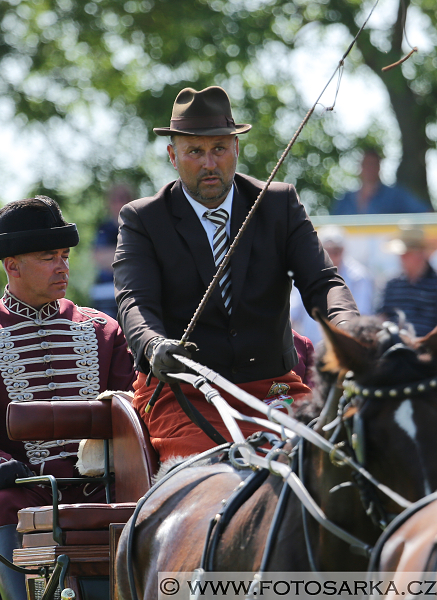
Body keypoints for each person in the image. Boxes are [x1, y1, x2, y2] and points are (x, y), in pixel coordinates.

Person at [114, 86, 358, 462]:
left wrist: (351, 332)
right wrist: (153, 345)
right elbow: (135, 302)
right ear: (172, 155)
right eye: (195, 151)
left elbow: (323, 283)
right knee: (207, 472)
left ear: (236, 150)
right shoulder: (142, 219)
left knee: (327, 459)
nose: (209, 164)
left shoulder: (280, 203)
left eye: (219, 149)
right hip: (182, 391)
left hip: (272, 387)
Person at [0, 197, 136, 600]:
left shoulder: (105, 330)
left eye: (65, 255)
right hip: (26, 485)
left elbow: (132, 408)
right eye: (49, 257)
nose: (64, 266)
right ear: (12, 265)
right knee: (1, 503)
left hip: (106, 486)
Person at [290, 224, 374, 348]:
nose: (330, 256)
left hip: (344, 350)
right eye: (326, 251)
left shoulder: (359, 277)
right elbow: (292, 313)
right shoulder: (306, 274)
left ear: (343, 251)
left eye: (335, 251)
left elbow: (361, 317)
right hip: (310, 351)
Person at [377, 226, 437, 337]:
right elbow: (381, 316)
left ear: (421, 253)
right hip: (394, 348)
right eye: (401, 254)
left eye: (407, 253)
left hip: (428, 348)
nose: (402, 258)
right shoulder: (391, 283)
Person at [330, 148, 430, 215]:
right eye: (366, 164)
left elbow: (425, 213)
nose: (370, 168)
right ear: (360, 167)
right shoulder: (345, 199)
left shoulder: (395, 196)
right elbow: (331, 228)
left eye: (373, 164)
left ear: (379, 168)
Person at [91, 183, 134, 319]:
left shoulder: (140, 228)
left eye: (123, 198)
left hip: (134, 293)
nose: (119, 203)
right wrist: (132, 255)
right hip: (104, 294)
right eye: (115, 199)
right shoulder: (104, 228)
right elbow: (99, 257)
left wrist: (113, 255)